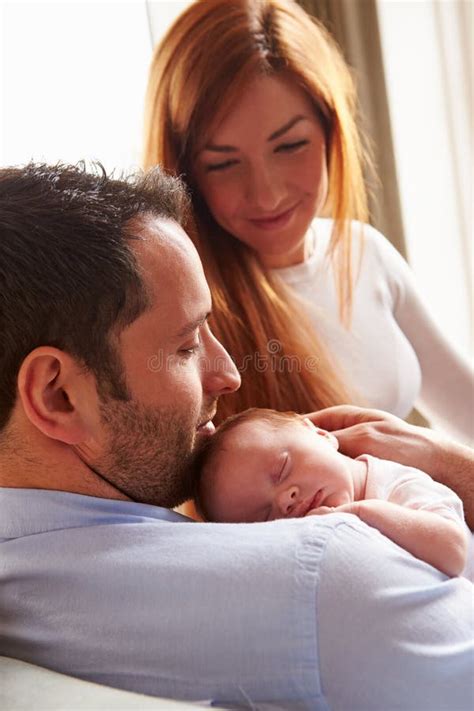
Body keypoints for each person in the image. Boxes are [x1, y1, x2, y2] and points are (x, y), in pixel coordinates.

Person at [0, 162, 473, 711]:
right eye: (184, 346)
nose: (229, 374)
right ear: (58, 395)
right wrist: (455, 468)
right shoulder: (326, 576)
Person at [143, 0, 473, 446]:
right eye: (223, 164)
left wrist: (430, 459)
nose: (267, 195)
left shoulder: (363, 253)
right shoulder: (182, 311)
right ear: (185, 172)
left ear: (330, 131)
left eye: (290, 145)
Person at [194, 408, 468, 577]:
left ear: (321, 434)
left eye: (282, 469)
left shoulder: (395, 481)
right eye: (266, 517)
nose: (284, 501)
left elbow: (453, 551)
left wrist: (360, 514)